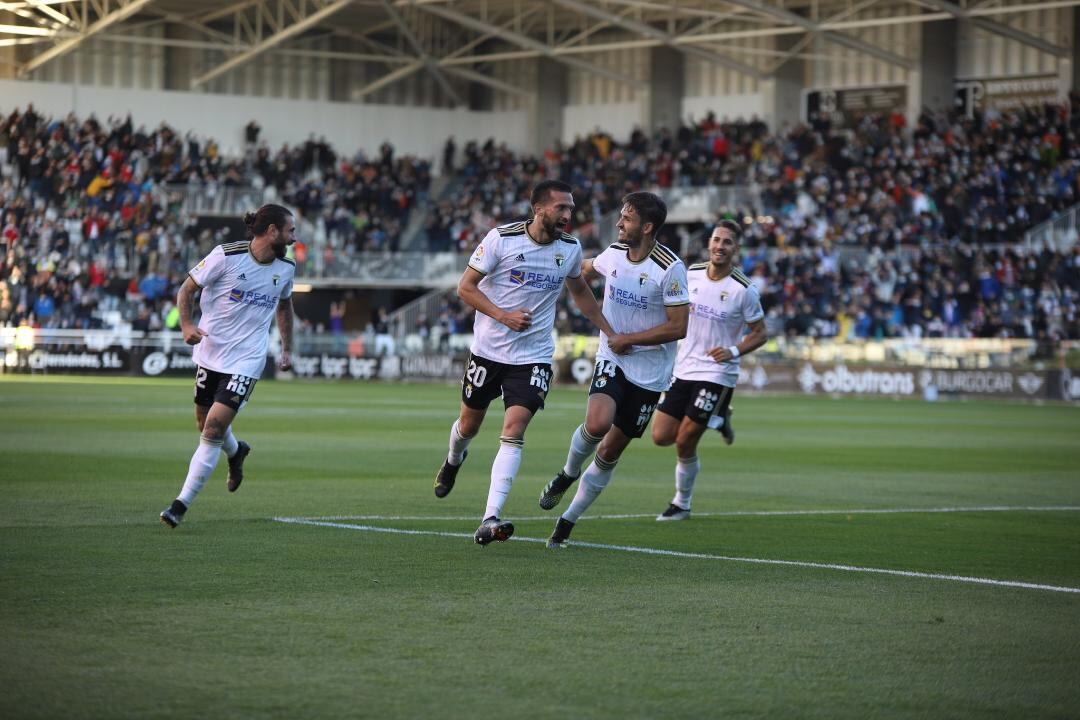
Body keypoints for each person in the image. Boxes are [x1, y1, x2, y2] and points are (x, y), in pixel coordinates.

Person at [434, 180, 613, 546]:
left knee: (514, 429)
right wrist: (503, 316)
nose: (568, 215)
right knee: (468, 426)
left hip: (532, 356)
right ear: (539, 209)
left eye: (570, 208)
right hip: (488, 350)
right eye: (561, 207)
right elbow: (465, 288)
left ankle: (490, 517)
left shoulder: (570, 248)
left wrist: (609, 331)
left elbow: (580, 291)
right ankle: (453, 460)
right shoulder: (502, 239)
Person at [539, 191, 690, 548]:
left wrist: (632, 338)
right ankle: (567, 473)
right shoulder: (615, 253)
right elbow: (585, 269)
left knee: (609, 452)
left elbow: (679, 326)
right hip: (613, 356)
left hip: (651, 375)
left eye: (628, 218)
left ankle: (567, 521)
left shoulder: (670, 269)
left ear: (648, 227)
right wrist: (555, 266)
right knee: (596, 424)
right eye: (621, 216)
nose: (620, 223)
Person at [159, 204, 296, 527]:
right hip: (210, 352)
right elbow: (187, 289)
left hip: (247, 360)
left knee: (212, 430)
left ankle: (180, 505)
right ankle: (236, 452)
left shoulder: (286, 268)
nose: (294, 237)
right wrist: (187, 326)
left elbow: (285, 305)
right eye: (290, 230)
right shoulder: (225, 255)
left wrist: (287, 348)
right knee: (204, 423)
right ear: (272, 231)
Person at [651, 219, 767, 521]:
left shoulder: (744, 289)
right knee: (661, 436)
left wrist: (732, 351)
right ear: (709, 243)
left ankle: (681, 504)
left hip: (717, 373)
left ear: (736, 249)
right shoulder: (691, 275)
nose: (720, 246)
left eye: (727, 242)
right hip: (684, 368)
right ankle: (719, 416)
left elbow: (760, 333)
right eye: (716, 240)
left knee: (685, 440)